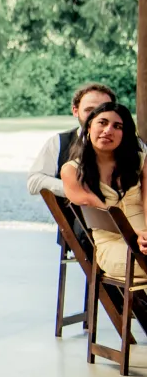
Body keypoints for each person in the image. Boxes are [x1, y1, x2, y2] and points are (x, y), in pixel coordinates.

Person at [61, 103, 147, 281]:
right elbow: (105, 215)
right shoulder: (72, 171)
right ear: (89, 125)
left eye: (118, 126)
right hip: (114, 246)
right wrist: (137, 237)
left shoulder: (140, 161)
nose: (108, 130)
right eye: (103, 122)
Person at [28, 83, 117, 198]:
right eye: (89, 110)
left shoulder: (133, 142)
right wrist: (73, 188)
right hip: (75, 215)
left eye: (104, 110)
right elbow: (34, 181)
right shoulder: (58, 142)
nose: (97, 116)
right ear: (75, 111)